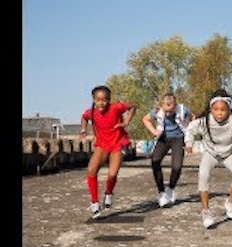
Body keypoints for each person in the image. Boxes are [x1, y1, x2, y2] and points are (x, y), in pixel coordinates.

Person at [184, 89, 232, 228]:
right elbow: (190, 128)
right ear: (210, 109)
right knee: (203, 174)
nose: (219, 113)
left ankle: (230, 202)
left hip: (227, 154)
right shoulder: (204, 122)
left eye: (223, 110)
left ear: (229, 110)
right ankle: (206, 211)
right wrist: (189, 143)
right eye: (216, 110)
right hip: (211, 154)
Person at [80, 85, 136, 218]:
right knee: (91, 170)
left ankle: (109, 193)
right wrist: (83, 130)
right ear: (94, 100)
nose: (102, 103)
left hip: (118, 142)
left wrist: (126, 121)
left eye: (105, 100)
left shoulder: (116, 107)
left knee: (112, 173)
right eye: (99, 100)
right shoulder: (91, 112)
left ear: (109, 100)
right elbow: (84, 117)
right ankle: (95, 203)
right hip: (102, 144)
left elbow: (133, 106)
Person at [142, 93, 194, 207]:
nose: (168, 113)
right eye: (166, 111)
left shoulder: (182, 109)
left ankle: (170, 189)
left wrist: (189, 139)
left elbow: (193, 119)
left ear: (175, 105)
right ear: (162, 106)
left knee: (177, 166)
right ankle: (161, 193)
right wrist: (154, 132)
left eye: (171, 111)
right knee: (155, 161)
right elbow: (145, 119)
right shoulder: (157, 111)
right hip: (163, 138)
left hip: (178, 138)